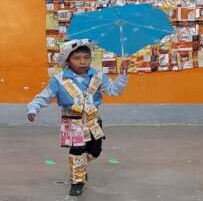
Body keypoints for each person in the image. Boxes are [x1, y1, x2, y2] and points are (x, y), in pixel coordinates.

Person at [27, 39, 129, 196]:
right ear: (68, 60)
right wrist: (33, 108)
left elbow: (114, 90)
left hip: (93, 121)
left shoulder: (98, 76)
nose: (82, 61)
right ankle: (77, 181)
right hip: (72, 121)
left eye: (86, 57)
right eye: (77, 58)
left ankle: (79, 167)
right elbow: (44, 96)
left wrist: (122, 74)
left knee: (95, 151)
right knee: (77, 151)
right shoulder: (59, 80)